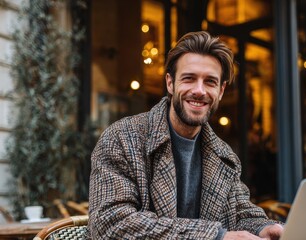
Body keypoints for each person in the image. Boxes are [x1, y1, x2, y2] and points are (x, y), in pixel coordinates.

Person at [87, 31, 284, 240]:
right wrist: (215, 237)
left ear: (221, 90)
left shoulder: (224, 156)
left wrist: (266, 227)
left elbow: (241, 214)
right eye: (189, 78)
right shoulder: (122, 138)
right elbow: (109, 224)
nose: (199, 90)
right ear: (170, 84)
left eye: (210, 81)